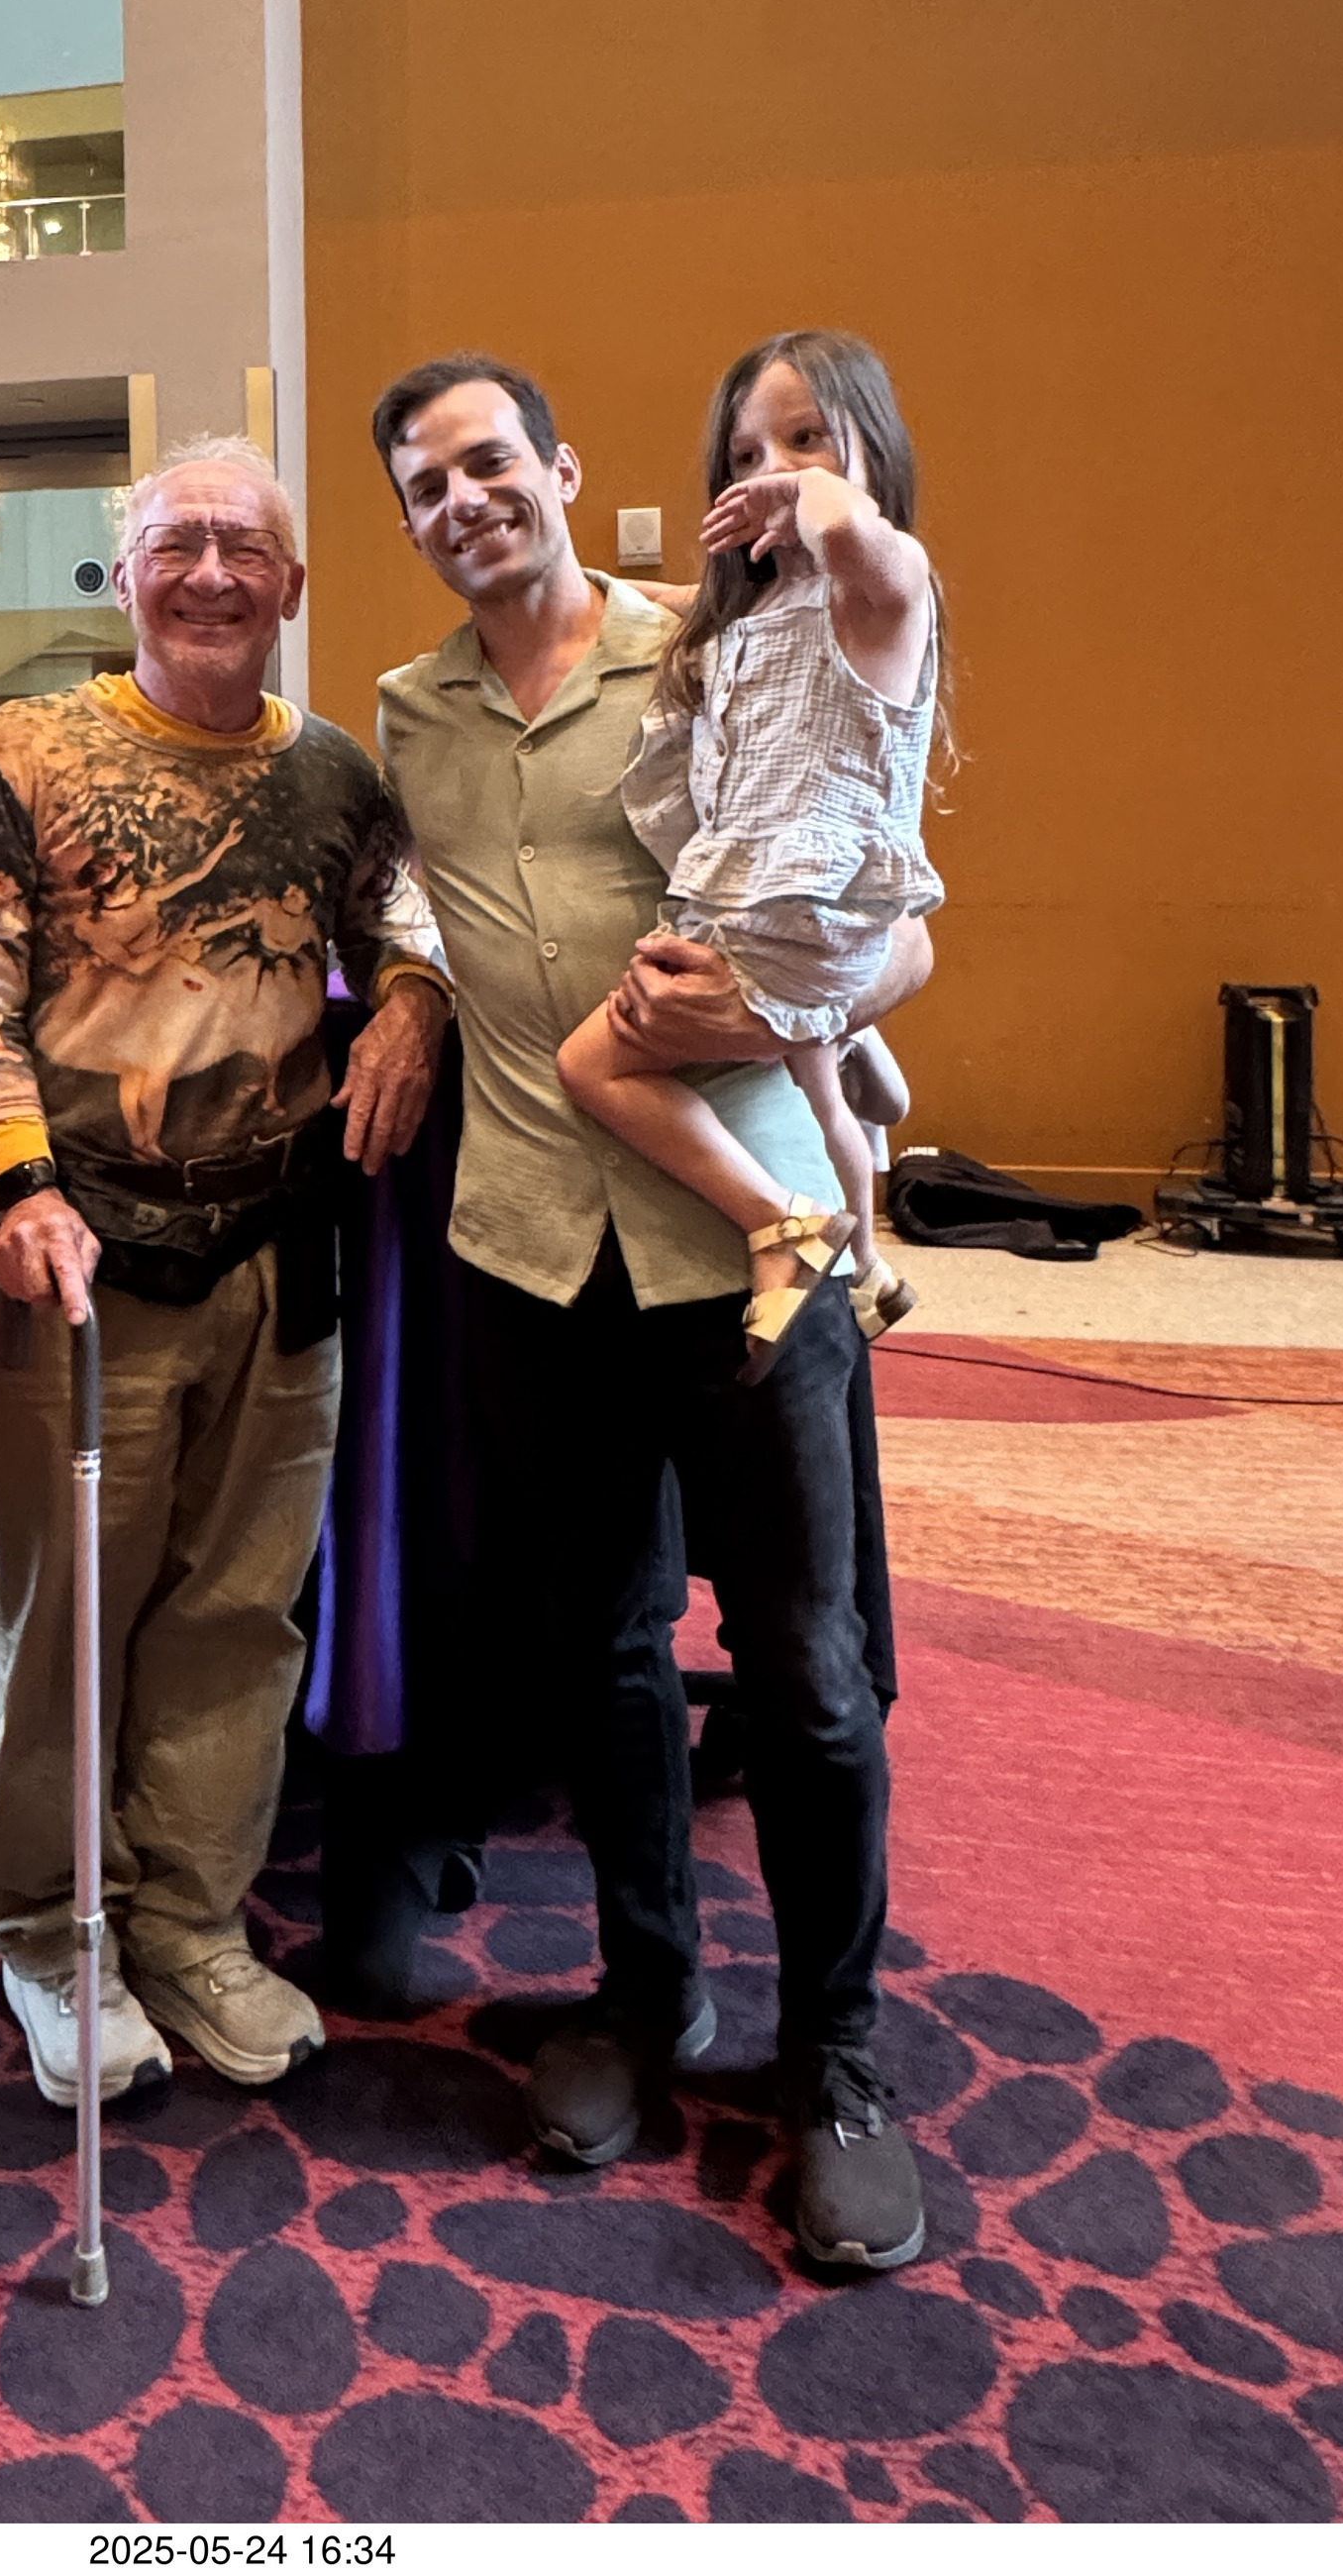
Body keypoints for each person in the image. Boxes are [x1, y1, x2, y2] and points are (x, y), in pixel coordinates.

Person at [372, 350, 930, 2275]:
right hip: (532, 1250)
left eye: (490, 463)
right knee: (603, 1651)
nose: (466, 502)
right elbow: (424, 906)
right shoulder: (411, 712)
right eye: (427, 486)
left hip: (746, 1251)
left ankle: (835, 2058)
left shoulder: (714, 645)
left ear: (559, 468)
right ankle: (644, 1991)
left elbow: (894, 911)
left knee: (806, 1672)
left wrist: (831, 990)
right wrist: (412, 993)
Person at [0, 434, 450, 2108]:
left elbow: (402, 917)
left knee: (239, 1615)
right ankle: (51, 1926)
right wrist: (13, 1179)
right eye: (179, 542)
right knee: (72, 1616)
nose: (213, 574)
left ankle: (189, 1919)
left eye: (246, 548)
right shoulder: (28, 749)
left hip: (281, 1252)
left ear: (292, 584)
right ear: (126, 566)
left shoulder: (336, 771)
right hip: (82, 1250)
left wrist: (416, 999)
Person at [556, 334, 943, 1372]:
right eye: (744, 454)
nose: (771, 467)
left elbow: (850, 529)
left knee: (591, 1061)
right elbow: (675, 605)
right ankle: (869, 1253)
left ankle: (780, 1223)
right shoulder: (757, 606)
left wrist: (802, 495)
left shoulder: (883, 588)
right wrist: (576, 582)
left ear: (874, 447)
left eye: (807, 437)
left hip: (796, 914)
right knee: (820, 1094)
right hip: (765, 904)